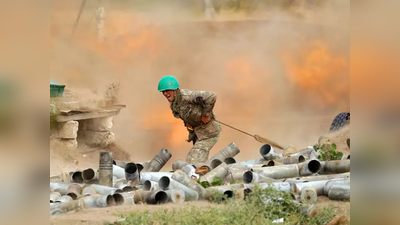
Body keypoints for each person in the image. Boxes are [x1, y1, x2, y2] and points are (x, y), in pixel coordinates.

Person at [158, 75, 221, 165]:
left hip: (209, 132)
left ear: (175, 90)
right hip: (197, 133)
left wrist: (206, 114)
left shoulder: (187, 96)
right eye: (163, 91)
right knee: (197, 161)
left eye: (167, 90)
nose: (165, 93)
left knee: (193, 160)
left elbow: (211, 96)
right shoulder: (174, 104)